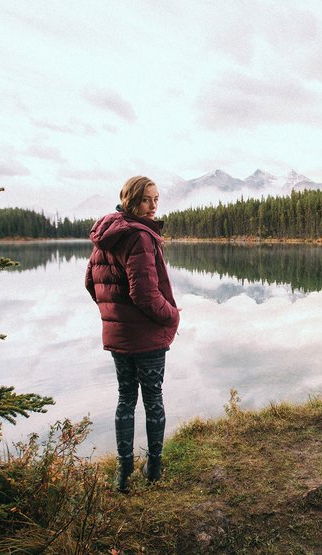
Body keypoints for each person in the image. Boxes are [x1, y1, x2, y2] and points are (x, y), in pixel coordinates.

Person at [85, 176, 180, 493]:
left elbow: (91, 284)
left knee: (126, 399)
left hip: (119, 337)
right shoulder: (140, 236)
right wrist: (172, 315)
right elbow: (144, 294)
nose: (154, 206)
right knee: (153, 399)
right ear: (131, 201)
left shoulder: (104, 235)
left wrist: (114, 315)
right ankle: (153, 468)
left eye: (157, 199)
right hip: (147, 338)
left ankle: (123, 474)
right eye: (147, 200)